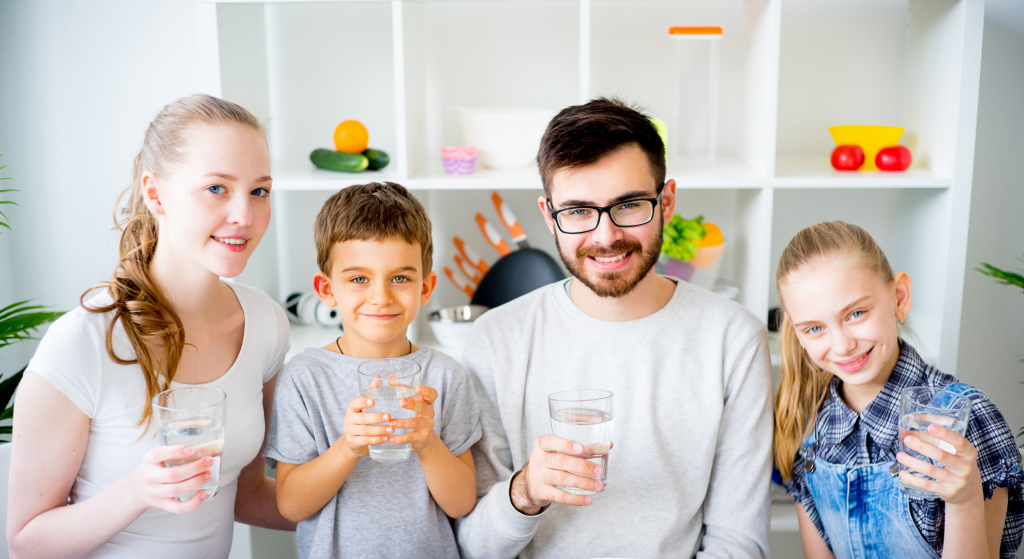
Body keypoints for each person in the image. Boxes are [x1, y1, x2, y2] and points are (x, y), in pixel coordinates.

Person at [455, 98, 774, 558]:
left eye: (628, 205)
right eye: (579, 211)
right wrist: (524, 492)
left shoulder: (732, 338)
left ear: (666, 201)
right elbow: (472, 549)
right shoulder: (496, 339)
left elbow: (738, 543)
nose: (605, 236)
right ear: (549, 216)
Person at [7, 94, 295, 558]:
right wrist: (138, 490)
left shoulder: (264, 324)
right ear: (155, 193)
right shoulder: (81, 343)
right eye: (217, 188)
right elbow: (27, 541)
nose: (245, 215)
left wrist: (389, 503)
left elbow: (246, 497)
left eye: (259, 191)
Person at [773, 221, 1023, 558]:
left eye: (856, 313)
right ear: (797, 333)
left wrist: (964, 501)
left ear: (899, 297)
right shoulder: (807, 423)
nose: (843, 345)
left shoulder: (965, 416)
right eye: (815, 328)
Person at [263, 182, 482, 559]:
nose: (381, 296)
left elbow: (461, 503)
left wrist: (428, 443)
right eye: (359, 279)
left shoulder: (446, 376)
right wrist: (347, 447)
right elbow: (292, 505)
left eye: (400, 278)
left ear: (426, 287)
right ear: (327, 289)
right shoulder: (306, 377)